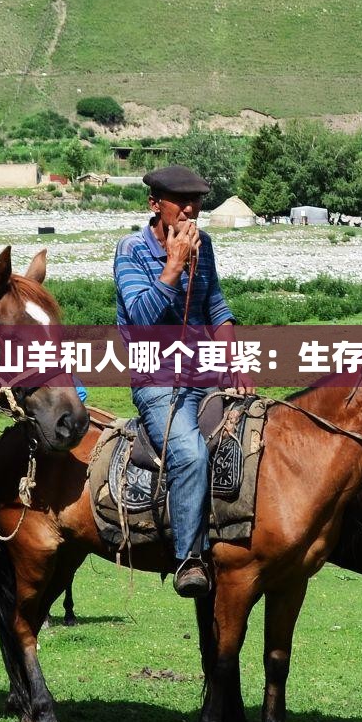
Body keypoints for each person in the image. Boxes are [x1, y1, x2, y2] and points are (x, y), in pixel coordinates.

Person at [114, 164, 243, 600]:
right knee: (188, 453)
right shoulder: (130, 251)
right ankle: (189, 558)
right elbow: (143, 318)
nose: (190, 210)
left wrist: (235, 360)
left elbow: (217, 307)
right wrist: (172, 265)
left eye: (197, 202)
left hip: (204, 372)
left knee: (255, 433)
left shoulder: (203, 246)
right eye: (180, 202)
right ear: (155, 204)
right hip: (158, 379)